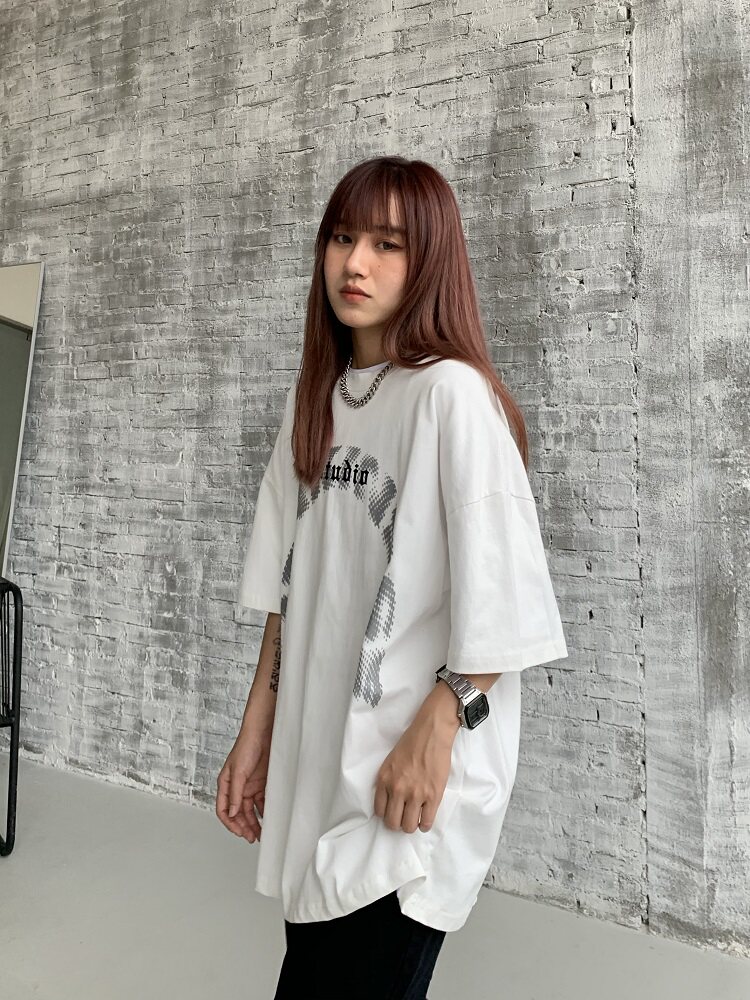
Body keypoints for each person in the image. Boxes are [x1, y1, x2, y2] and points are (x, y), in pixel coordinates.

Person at [216, 155, 569, 999]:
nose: (355, 263)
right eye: (342, 238)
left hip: (406, 781)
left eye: (387, 244)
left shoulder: (452, 396)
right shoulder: (318, 400)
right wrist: (256, 730)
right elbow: (289, 589)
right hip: (322, 760)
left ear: (430, 261)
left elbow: (510, 603)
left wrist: (438, 729)